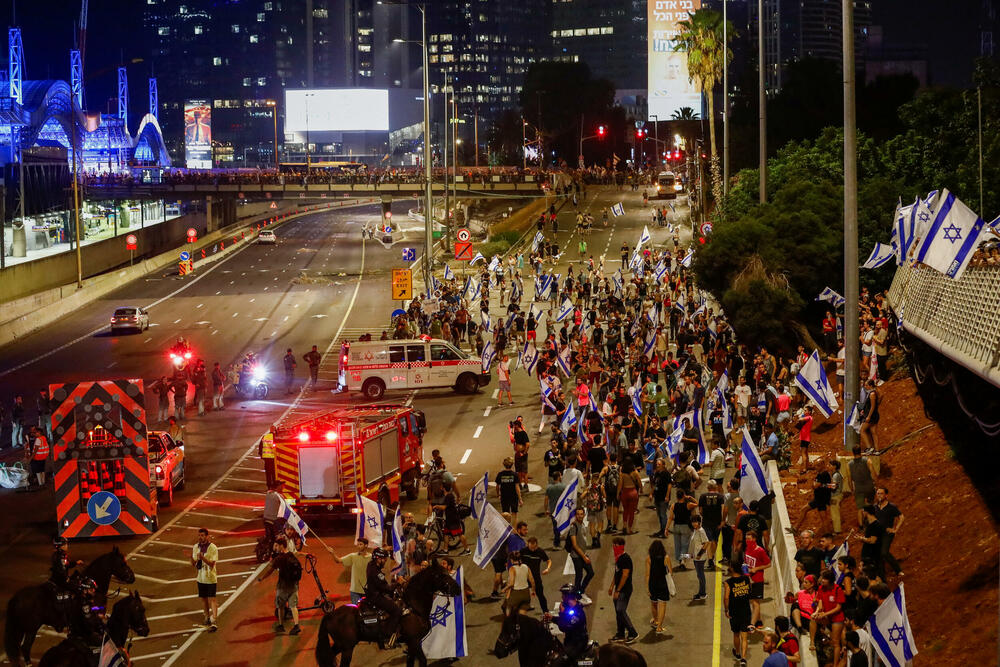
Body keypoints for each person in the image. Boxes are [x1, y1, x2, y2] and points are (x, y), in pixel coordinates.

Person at [256, 538, 302, 635]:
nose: (275, 547)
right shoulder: (291, 555)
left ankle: (281, 625)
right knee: (293, 606)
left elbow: (270, 571)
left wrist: (261, 579)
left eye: (276, 545)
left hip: (283, 586)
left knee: (280, 606)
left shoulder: (279, 559)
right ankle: (296, 625)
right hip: (294, 585)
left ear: (281, 545)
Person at [811, 570, 846, 666]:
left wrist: (825, 613)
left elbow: (838, 607)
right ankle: (812, 642)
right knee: (812, 619)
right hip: (826, 617)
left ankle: (835, 664)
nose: (822, 580)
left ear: (830, 580)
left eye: (824, 579)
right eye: (822, 578)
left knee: (835, 643)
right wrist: (817, 612)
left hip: (837, 619)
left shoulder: (837, 589)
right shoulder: (821, 588)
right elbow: (820, 602)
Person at [608, 537, 638, 643]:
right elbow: (617, 573)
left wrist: (618, 590)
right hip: (619, 589)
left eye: (616, 546)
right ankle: (620, 633)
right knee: (618, 611)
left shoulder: (625, 558)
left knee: (620, 610)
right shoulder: (618, 558)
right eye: (613, 545)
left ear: (621, 546)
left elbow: (625, 575)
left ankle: (632, 632)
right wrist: (612, 586)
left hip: (624, 590)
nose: (614, 548)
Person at [724, 561, 752, 666]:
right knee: (744, 636)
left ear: (731, 568)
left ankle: (738, 653)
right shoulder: (746, 579)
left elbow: (726, 598)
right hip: (745, 610)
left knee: (736, 633)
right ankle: (744, 659)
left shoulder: (728, 582)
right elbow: (750, 590)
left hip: (734, 611)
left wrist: (726, 610)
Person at [190, 528, 219, 631]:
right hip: (200, 578)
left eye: (202, 535)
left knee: (213, 599)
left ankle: (214, 620)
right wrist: (192, 559)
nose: (200, 537)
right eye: (199, 535)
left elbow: (212, 564)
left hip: (210, 577)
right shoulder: (195, 547)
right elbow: (194, 564)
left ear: (207, 536)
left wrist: (203, 558)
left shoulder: (213, 548)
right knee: (204, 599)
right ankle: (207, 617)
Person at [873, 486, 904, 577]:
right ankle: (881, 574)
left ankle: (898, 570)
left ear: (886, 495)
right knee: (879, 553)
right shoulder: (874, 507)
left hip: (887, 533)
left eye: (881, 493)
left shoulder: (891, 507)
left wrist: (895, 529)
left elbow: (901, 517)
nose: (879, 495)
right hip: (877, 533)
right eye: (878, 493)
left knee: (884, 552)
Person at [329, 538, 371, 604]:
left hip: (367, 589)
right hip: (355, 590)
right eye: (358, 544)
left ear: (366, 545)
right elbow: (338, 560)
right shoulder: (353, 556)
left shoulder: (371, 557)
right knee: (356, 610)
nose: (358, 546)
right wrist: (332, 553)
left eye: (360, 544)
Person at [743, 530, 771, 629]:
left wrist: (756, 569)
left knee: (755, 602)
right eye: (746, 538)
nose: (747, 540)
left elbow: (768, 564)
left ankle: (752, 624)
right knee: (753, 601)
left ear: (754, 539)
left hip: (757, 580)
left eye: (749, 539)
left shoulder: (760, 551)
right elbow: (746, 561)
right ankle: (759, 621)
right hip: (749, 579)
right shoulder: (747, 548)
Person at [566, 508, 594, 604]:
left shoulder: (582, 524)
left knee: (591, 573)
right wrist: (584, 557)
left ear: (584, 515)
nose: (580, 516)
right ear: (575, 515)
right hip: (577, 555)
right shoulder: (573, 526)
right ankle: (577, 596)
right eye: (578, 514)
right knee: (579, 575)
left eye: (581, 514)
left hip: (583, 554)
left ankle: (580, 591)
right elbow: (574, 544)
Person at [555, 584, 589, 660]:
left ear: (568, 597)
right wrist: (552, 618)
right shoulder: (569, 607)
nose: (562, 597)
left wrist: (562, 613)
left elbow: (563, 627)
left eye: (563, 595)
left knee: (560, 662)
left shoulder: (577, 612)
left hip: (577, 643)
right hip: (570, 640)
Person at [646, 539, 672, 633]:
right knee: (662, 605)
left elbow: (647, 574)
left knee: (653, 603)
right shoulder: (666, 558)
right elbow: (670, 572)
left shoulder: (649, 558)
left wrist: (647, 587)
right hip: (663, 584)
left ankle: (655, 620)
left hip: (653, 583)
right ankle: (659, 627)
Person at [847, 446, 877, 526]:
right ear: (860, 451)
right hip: (869, 486)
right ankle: (871, 523)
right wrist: (876, 483)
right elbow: (873, 473)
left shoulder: (849, 464)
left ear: (853, 452)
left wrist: (852, 489)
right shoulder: (867, 461)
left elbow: (849, 479)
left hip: (858, 488)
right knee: (870, 504)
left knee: (860, 508)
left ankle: (861, 526)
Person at [520, 537, 552, 613]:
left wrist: (548, 568)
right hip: (525, 577)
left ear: (536, 545)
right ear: (528, 544)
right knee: (523, 596)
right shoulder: (523, 551)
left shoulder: (540, 552)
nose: (533, 550)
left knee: (541, 595)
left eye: (534, 547)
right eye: (531, 547)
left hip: (536, 577)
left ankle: (545, 612)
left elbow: (548, 560)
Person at [617, 459, 642, 535]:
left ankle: (624, 526)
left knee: (625, 510)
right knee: (631, 512)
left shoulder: (622, 474)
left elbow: (620, 485)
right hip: (633, 492)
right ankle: (629, 529)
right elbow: (639, 482)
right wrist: (641, 489)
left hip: (625, 492)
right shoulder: (635, 472)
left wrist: (618, 493)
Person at [495, 457, 522, 526]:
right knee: (514, 514)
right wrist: (520, 499)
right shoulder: (515, 474)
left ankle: (506, 528)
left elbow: (497, 486)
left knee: (505, 514)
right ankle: (514, 529)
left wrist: (498, 494)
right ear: (512, 464)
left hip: (504, 496)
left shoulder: (500, 474)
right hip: (513, 496)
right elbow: (517, 487)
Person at [688, 514, 709, 601]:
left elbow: (706, 543)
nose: (694, 523)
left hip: (700, 557)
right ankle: (701, 592)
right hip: (696, 556)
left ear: (699, 522)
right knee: (699, 575)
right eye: (693, 522)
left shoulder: (701, 531)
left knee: (700, 576)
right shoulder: (695, 530)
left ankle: (702, 594)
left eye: (695, 522)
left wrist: (700, 554)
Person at [544, 471, 566, 548]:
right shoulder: (563, 487)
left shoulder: (549, 487)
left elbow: (546, 500)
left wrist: (546, 509)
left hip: (552, 510)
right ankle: (556, 543)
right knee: (559, 526)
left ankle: (557, 541)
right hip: (561, 510)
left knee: (555, 526)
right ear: (559, 477)